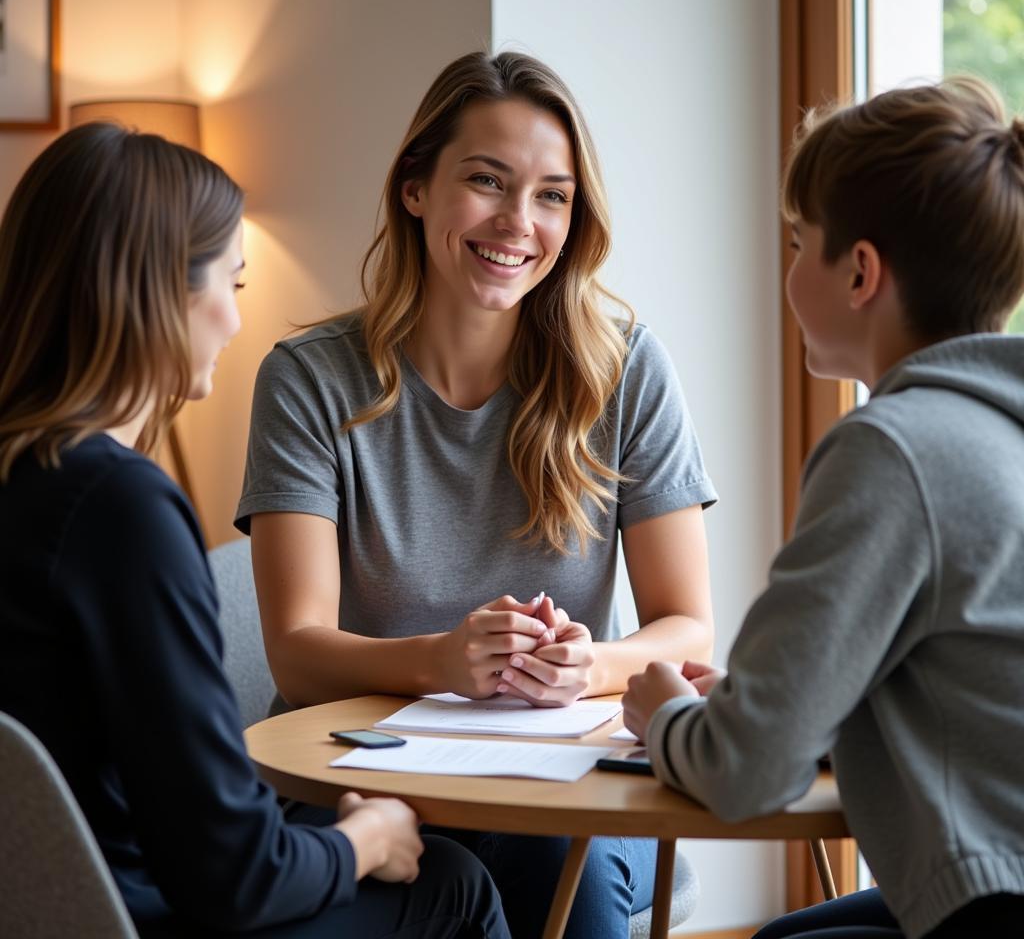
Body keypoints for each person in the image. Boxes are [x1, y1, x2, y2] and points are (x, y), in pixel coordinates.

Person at [237, 50, 717, 937]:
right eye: (487, 181)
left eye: (552, 196)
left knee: (543, 859)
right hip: (366, 779)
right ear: (415, 187)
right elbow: (296, 652)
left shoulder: (627, 371)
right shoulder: (309, 378)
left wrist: (591, 667)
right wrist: (441, 662)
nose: (518, 222)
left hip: (562, 778)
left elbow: (688, 627)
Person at [0, 122, 510, 939]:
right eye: (232, 286)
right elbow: (233, 875)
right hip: (135, 912)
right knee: (449, 881)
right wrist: (365, 838)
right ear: (164, 289)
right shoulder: (121, 510)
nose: (236, 324)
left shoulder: (28, 481)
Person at [622, 77, 1024, 939]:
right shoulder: (999, 427)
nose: (789, 266)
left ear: (860, 272)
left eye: (799, 242)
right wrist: (762, 703)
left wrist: (665, 717)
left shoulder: (896, 449)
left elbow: (744, 772)